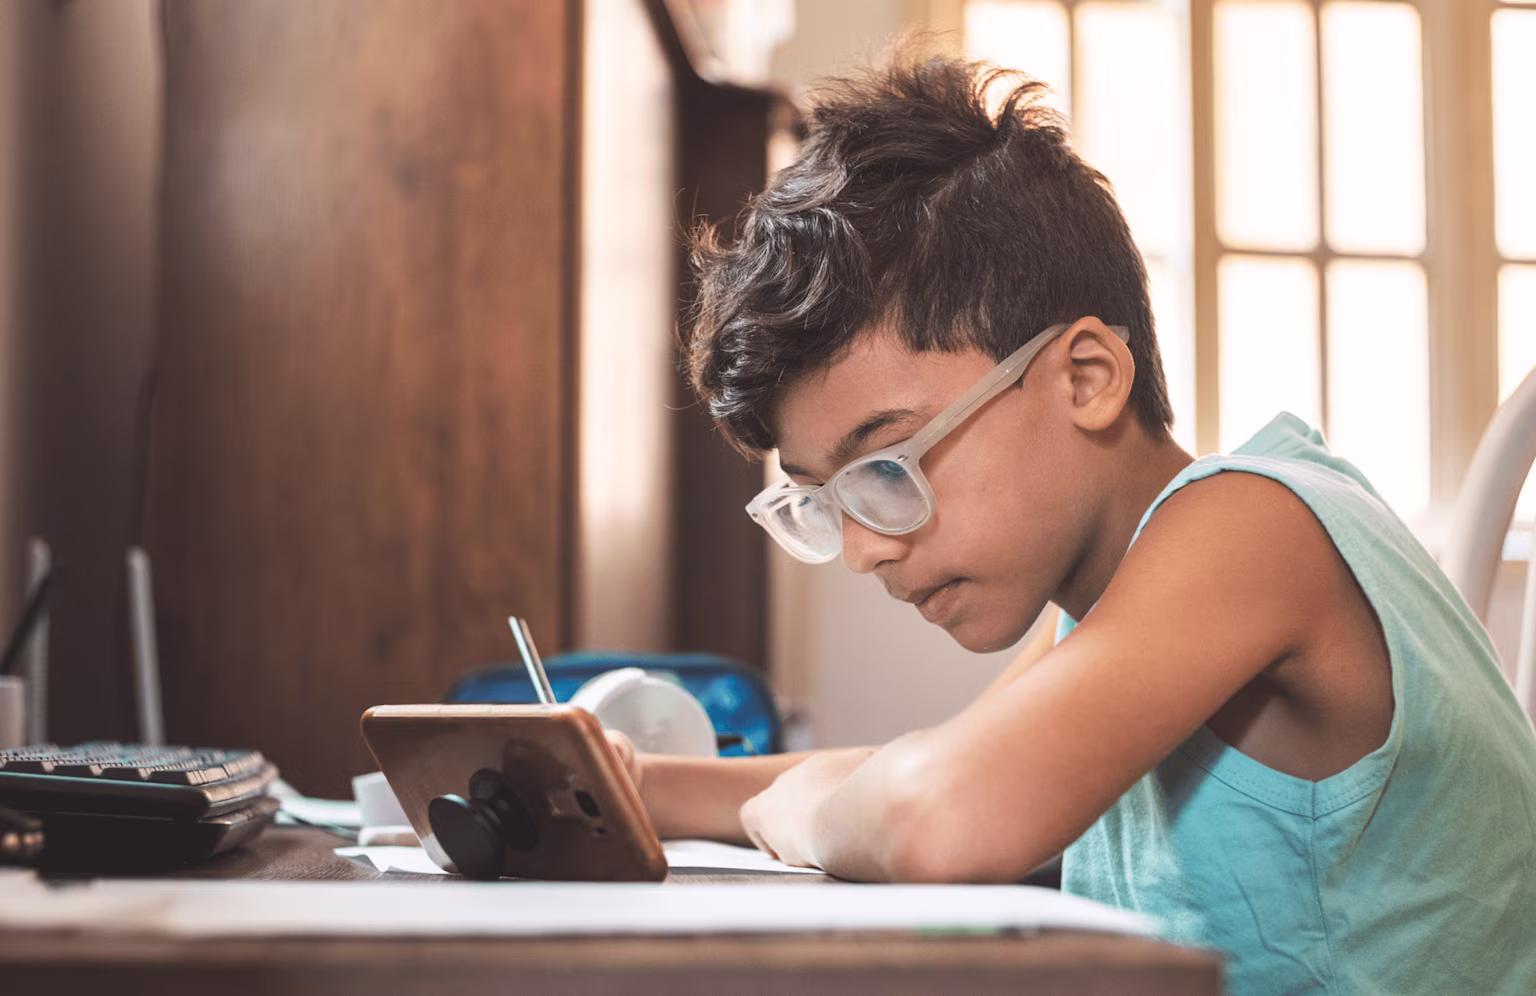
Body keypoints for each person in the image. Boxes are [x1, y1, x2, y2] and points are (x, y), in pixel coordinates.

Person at [612, 52, 1536, 993]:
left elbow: (945, 812)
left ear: (1087, 378)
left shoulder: (1252, 527)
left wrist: (798, 810)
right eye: (822, 500)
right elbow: (940, 766)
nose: (862, 549)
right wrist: (642, 785)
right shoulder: (1106, 599)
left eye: (886, 466)